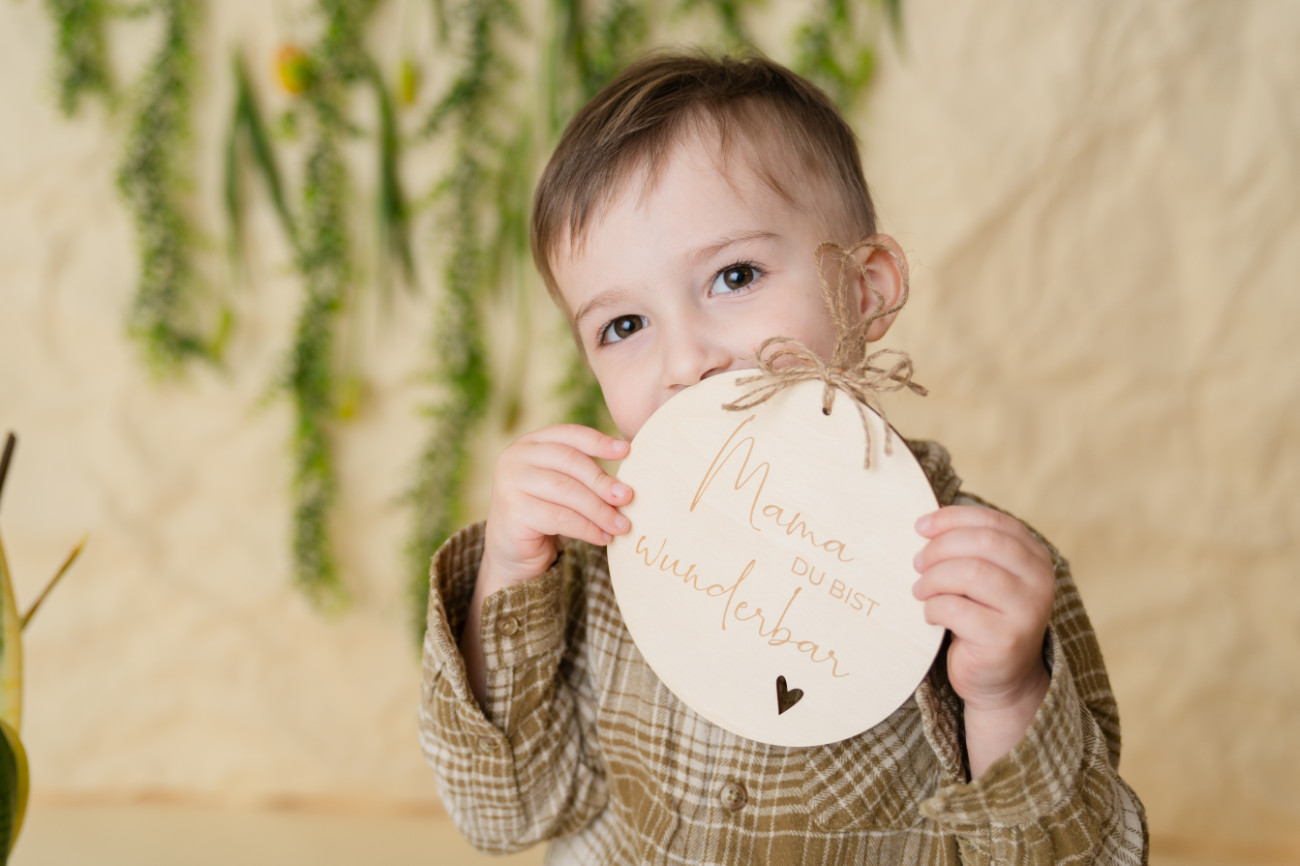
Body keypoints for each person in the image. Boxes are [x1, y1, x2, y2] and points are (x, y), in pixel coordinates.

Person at [418, 51, 1147, 864]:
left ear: (865, 289)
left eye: (735, 275)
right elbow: (505, 813)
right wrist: (510, 580)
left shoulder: (977, 579)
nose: (685, 360)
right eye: (623, 326)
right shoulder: (593, 561)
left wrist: (1006, 691)